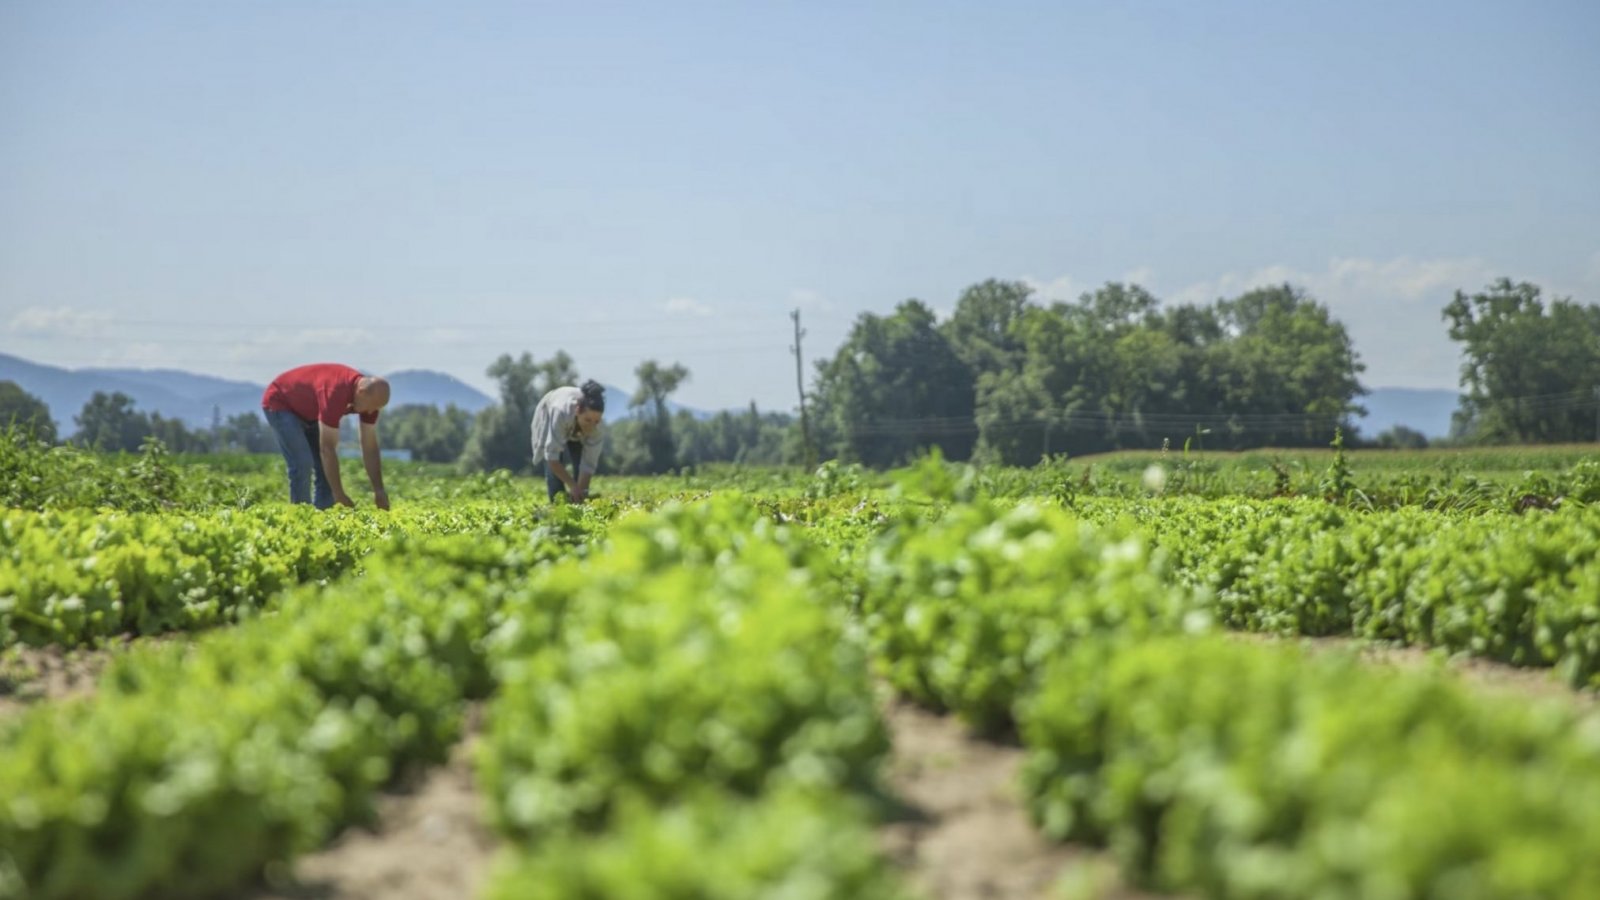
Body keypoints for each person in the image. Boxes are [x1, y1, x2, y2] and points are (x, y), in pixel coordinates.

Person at [261, 363, 391, 510]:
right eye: (372, 406)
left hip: (311, 412)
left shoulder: (371, 402)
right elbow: (327, 449)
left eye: (376, 408)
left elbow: (370, 447)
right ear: (361, 392)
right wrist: (339, 494)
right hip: (281, 402)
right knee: (302, 463)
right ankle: (301, 516)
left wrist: (379, 490)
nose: (371, 412)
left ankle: (322, 518)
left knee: (325, 470)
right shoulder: (335, 392)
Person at [531, 379, 606, 502]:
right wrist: (572, 485)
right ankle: (557, 504)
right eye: (587, 420)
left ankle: (577, 503)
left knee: (579, 467)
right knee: (554, 474)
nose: (592, 426)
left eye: (596, 421)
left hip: (575, 428)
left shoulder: (598, 428)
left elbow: (588, 465)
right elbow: (552, 458)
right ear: (577, 411)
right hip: (552, 412)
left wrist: (580, 490)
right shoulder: (559, 412)